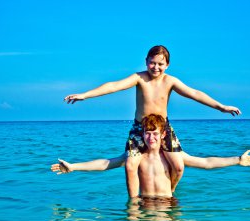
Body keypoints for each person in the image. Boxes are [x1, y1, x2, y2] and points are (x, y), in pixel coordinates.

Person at [63, 45, 241, 198]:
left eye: (160, 64)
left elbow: (195, 94)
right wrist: (85, 95)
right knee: (130, 165)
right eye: (152, 62)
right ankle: (133, 202)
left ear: (167, 65)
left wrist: (221, 107)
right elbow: (113, 86)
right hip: (141, 128)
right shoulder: (139, 78)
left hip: (162, 127)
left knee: (179, 166)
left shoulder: (170, 81)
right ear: (146, 60)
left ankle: (169, 192)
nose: (156, 67)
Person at [51, 114, 250, 198]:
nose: (151, 137)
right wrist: (74, 166)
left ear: (163, 135)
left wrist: (237, 159)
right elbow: (105, 163)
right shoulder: (136, 156)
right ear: (142, 134)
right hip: (142, 204)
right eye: (147, 133)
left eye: (155, 133)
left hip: (168, 204)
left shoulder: (171, 157)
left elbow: (206, 162)